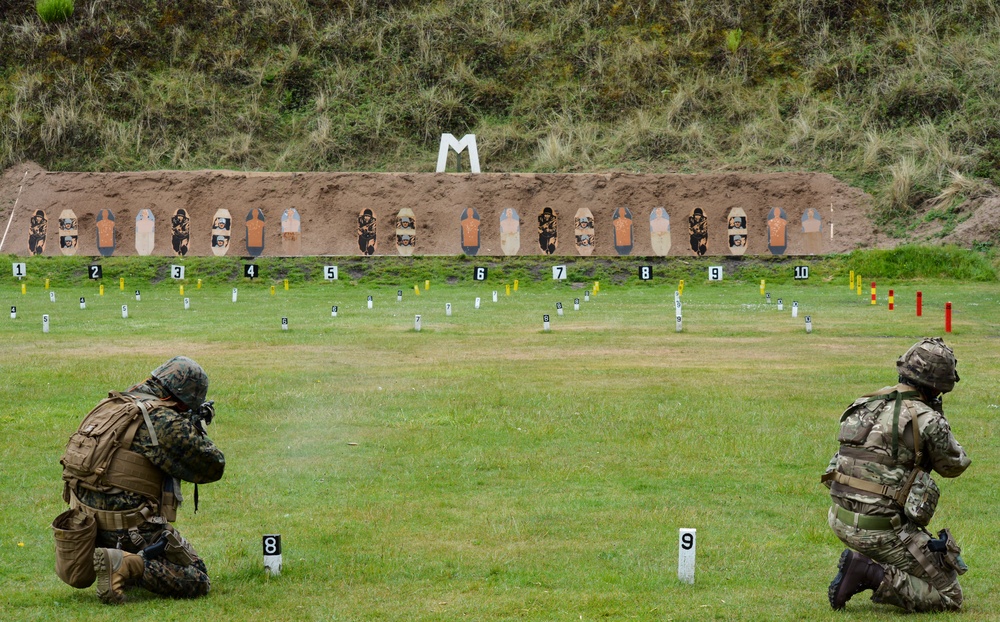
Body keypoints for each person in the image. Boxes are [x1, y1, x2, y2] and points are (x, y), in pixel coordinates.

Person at [58, 356, 225, 604]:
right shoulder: (163, 421)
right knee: (197, 578)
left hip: (85, 525)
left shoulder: (113, 403)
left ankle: (115, 558)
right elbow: (213, 466)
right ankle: (126, 564)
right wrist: (193, 428)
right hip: (128, 529)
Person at [822, 338, 970, 612]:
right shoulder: (927, 418)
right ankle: (868, 572)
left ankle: (866, 563)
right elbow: (954, 465)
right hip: (880, 530)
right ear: (938, 386)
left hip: (839, 518)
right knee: (949, 594)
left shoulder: (865, 402)